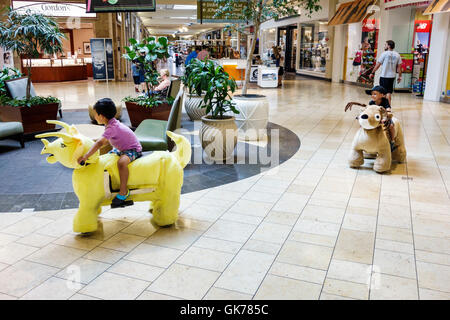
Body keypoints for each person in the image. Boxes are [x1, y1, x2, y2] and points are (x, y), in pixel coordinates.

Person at [77, 98, 143, 208]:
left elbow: (99, 143)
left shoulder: (112, 127)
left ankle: (123, 191)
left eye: (95, 114)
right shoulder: (110, 124)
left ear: (102, 116)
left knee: (121, 163)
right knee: (108, 158)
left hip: (132, 149)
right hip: (121, 148)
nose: (94, 117)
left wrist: (86, 156)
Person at [345, 85, 396, 151]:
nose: (372, 96)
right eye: (372, 94)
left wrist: (388, 113)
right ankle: (361, 137)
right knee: (362, 124)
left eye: (375, 94)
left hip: (383, 118)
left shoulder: (385, 101)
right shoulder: (371, 102)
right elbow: (368, 110)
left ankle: (392, 140)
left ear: (382, 95)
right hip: (374, 118)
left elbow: (388, 109)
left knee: (391, 126)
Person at [370, 40, 402, 106]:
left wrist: (372, 72)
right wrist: (399, 76)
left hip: (384, 76)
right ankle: (389, 108)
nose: (384, 46)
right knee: (389, 92)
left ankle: (383, 107)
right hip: (392, 76)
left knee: (383, 93)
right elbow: (399, 67)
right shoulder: (397, 55)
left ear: (388, 46)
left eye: (385, 45)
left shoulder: (384, 54)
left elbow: (378, 65)